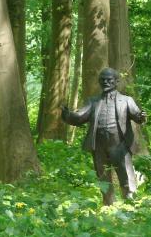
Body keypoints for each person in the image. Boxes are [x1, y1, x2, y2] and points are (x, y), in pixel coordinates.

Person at [61, 68, 146, 205]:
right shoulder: (93, 101)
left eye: (109, 80)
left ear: (116, 81)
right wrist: (67, 115)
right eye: (102, 80)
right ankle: (108, 204)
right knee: (103, 177)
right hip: (99, 146)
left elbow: (137, 115)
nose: (105, 82)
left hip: (120, 145)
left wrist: (141, 116)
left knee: (126, 176)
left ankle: (131, 204)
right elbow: (81, 116)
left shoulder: (126, 100)